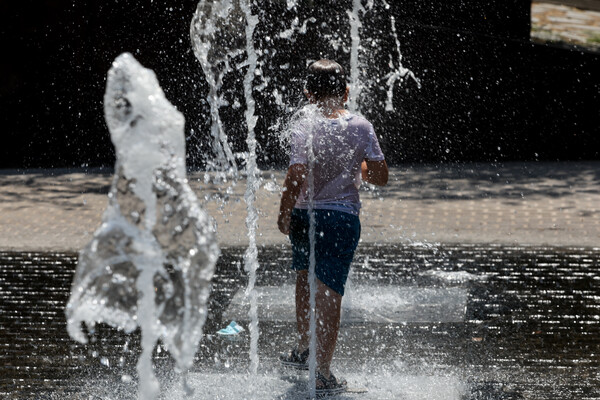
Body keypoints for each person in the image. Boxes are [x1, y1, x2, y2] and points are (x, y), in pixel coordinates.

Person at [277, 59, 388, 395]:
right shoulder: (361, 126)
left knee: (304, 277)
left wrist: (284, 212)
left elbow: (296, 174)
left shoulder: (303, 124)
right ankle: (322, 372)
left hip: (304, 216)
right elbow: (380, 177)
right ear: (346, 91)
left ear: (309, 93)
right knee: (331, 292)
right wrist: (358, 163)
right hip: (341, 219)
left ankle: (303, 348)